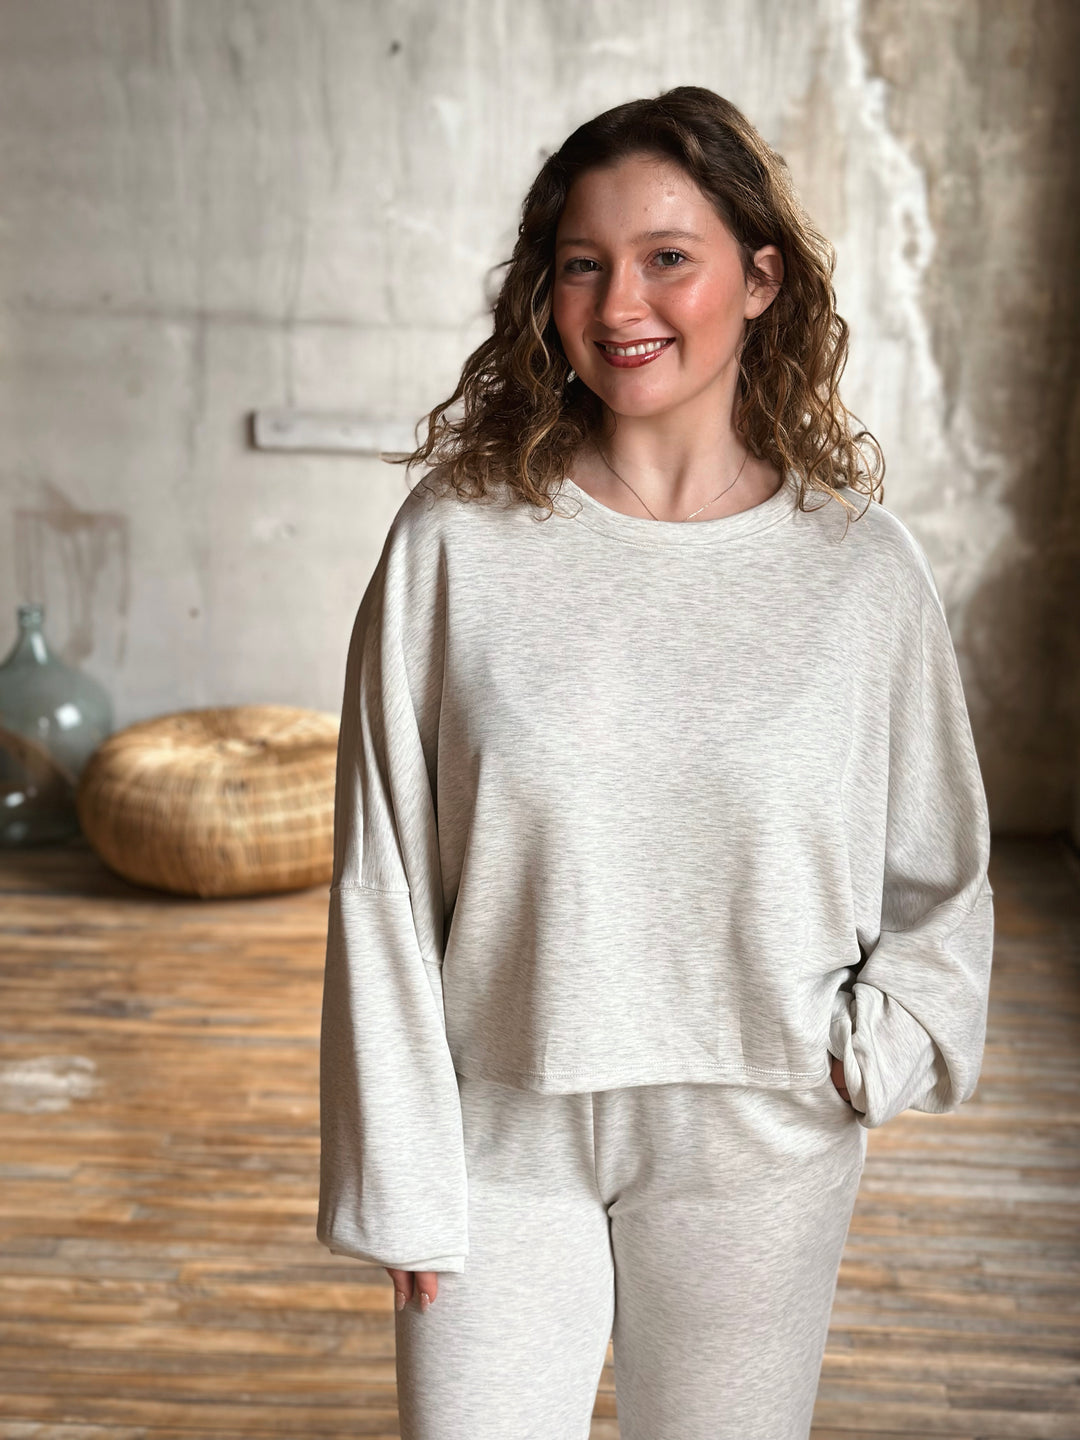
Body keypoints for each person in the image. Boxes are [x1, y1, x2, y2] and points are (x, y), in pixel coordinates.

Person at [316, 86, 994, 1440]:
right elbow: (380, 878)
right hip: (499, 1134)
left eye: (667, 256)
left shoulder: (861, 573)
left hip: (756, 1145)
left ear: (761, 280)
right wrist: (399, 1167)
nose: (621, 303)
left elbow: (943, 880)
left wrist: (875, 1055)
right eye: (583, 263)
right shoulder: (457, 542)